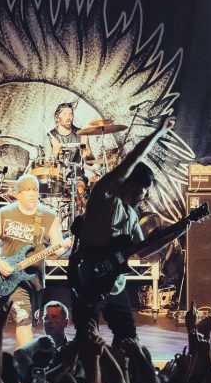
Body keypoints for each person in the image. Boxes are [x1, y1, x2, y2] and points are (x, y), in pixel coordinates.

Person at [69, 115, 175, 344]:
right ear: (134, 185)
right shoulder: (105, 194)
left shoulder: (131, 216)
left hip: (114, 285)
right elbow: (133, 159)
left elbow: (143, 251)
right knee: (87, 340)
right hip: (89, 279)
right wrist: (158, 132)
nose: (144, 198)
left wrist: (177, 231)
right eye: (144, 191)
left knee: (129, 340)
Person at [0, 174, 68, 348]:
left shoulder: (49, 216)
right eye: (27, 189)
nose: (32, 193)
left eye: (35, 189)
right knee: (24, 320)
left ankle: (22, 358)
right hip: (11, 278)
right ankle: (27, 360)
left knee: (30, 322)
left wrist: (68, 245)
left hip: (35, 281)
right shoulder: (5, 213)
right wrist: (0, 263)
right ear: (18, 193)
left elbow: (58, 249)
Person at [47, 102, 95, 168]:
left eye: (71, 114)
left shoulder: (81, 134)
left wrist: (86, 148)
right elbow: (46, 167)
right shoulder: (49, 136)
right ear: (57, 118)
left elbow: (91, 163)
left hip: (77, 173)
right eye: (65, 114)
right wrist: (55, 151)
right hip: (57, 174)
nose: (68, 117)